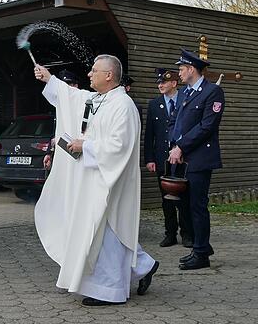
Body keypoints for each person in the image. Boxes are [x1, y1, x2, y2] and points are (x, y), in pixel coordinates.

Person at [33, 55, 158, 306]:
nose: (89, 74)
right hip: (93, 176)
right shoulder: (99, 99)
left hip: (110, 181)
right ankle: (143, 266)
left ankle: (109, 289)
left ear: (109, 75)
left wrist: (85, 146)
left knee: (106, 230)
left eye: (94, 70)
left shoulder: (123, 105)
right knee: (100, 229)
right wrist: (50, 79)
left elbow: (119, 145)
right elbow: (74, 98)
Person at [168, 49, 225, 270]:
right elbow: (175, 120)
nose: (179, 73)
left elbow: (207, 126)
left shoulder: (213, 92)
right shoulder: (184, 93)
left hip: (199, 158)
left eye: (181, 69)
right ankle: (201, 244)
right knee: (184, 205)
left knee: (197, 206)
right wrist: (174, 145)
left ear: (192, 69)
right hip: (180, 157)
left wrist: (181, 146)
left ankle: (201, 253)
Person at [144, 68, 192, 248]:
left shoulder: (186, 99)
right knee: (166, 197)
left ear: (174, 83)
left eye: (164, 82)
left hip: (183, 157)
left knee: (184, 198)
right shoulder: (155, 104)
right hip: (162, 158)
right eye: (158, 82)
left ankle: (187, 234)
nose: (160, 85)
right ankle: (170, 233)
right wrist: (149, 158)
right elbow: (150, 134)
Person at [44, 70, 80, 170]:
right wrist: (49, 154)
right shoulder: (60, 106)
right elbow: (55, 135)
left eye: (68, 85)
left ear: (76, 86)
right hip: (61, 156)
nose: (64, 89)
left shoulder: (82, 105)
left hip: (76, 156)